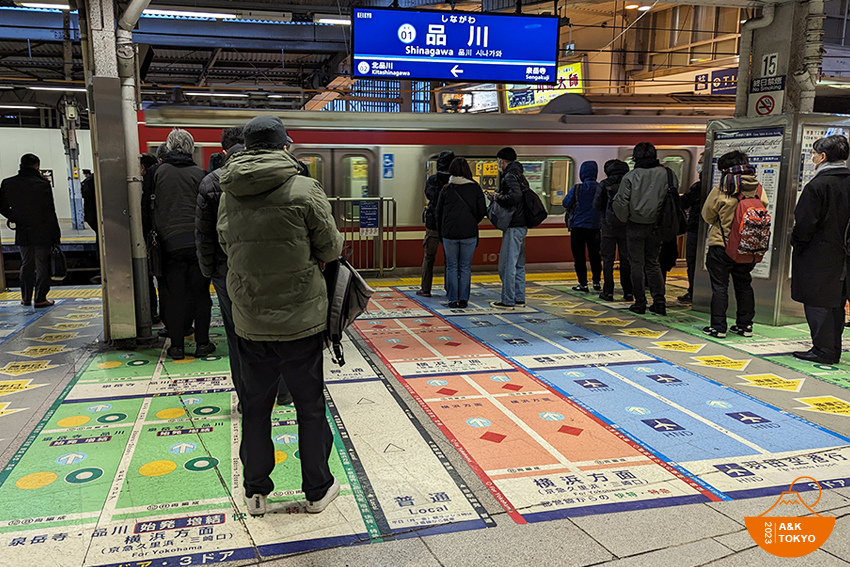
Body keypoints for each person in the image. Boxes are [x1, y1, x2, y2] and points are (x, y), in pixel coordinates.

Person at [218, 115, 343, 516]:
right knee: (308, 405)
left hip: (250, 320)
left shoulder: (227, 191)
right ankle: (317, 491)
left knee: (255, 408)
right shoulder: (305, 188)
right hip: (301, 319)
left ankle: (255, 492)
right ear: (285, 146)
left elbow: (226, 245)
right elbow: (330, 248)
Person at [196, 126, 293, 410]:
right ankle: (284, 391)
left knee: (238, 336)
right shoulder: (283, 177)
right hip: (276, 268)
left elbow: (204, 237)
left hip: (229, 273)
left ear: (225, 150)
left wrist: (210, 273)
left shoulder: (213, 182)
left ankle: (249, 398)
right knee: (279, 329)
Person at [152, 129, 214, 360]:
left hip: (169, 245)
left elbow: (146, 209)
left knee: (174, 296)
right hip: (197, 243)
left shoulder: (156, 173)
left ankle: (176, 346)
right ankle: (202, 344)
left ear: (168, 147)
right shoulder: (201, 174)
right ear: (191, 148)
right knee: (200, 295)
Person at [791, 135, 850, 364]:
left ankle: (823, 350)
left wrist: (797, 242)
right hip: (844, 256)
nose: (813, 157)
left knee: (818, 303)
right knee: (836, 302)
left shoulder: (818, 185)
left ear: (823, 157)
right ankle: (832, 348)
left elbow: (805, 223)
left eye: (815, 153)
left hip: (818, 255)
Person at [700, 151, 769, 339]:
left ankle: (719, 327)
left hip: (721, 246)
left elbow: (707, 216)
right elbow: (764, 208)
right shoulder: (758, 190)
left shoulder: (721, 190)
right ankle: (745, 325)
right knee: (744, 284)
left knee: (720, 287)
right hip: (747, 246)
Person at [613, 142, 677, 315]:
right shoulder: (668, 174)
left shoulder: (631, 177)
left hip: (635, 225)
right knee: (653, 263)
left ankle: (640, 302)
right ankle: (659, 302)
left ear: (635, 158)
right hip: (658, 226)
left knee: (636, 264)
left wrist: (625, 218)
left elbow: (621, 203)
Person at [0, 153, 61, 308]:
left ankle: (26, 298)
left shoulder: (8, 183)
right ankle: (40, 298)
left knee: (26, 263)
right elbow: (50, 211)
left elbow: (1, 205)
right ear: (37, 166)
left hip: (23, 229)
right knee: (42, 265)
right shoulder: (42, 184)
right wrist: (56, 234)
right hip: (42, 230)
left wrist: (13, 216)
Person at [435, 157, 487, 308]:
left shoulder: (446, 189)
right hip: (469, 233)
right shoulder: (475, 188)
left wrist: (441, 232)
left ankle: (452, 299)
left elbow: (439, 213)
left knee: (451, 266)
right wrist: (471, 222)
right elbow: (481, 211)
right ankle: (463, 299)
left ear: (451, 171)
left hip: (449, 234)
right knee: (465, 267)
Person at [489, 147, 528, 309]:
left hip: (513, 224)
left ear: (502, 160)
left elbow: (515, 196)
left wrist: (498, 197)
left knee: (507, 265)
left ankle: (507, 300)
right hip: (521, 224)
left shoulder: (510, 175)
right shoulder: (520, 174)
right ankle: (519, 298)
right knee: (518, 264)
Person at [593, 159, 633, 302]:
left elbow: (597, 205)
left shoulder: (604, 184)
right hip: (626, 226)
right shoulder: (630, 182)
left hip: (608, 227)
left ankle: (608, 292)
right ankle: (628, 291)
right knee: (626, 260)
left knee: (608, 260)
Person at [418, 150, 454, 297]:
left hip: (433, 223)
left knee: (429, 257)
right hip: (449, 223)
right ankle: (450, 289)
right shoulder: (455, 181)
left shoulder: (432, 180)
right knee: (450, 260)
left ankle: (426, 289)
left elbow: (429, 195)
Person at [564, 161, 602, 292]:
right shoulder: (600, 187)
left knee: (579, 257)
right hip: (595, 227)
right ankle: (596, 283)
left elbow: (565, 203)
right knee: (595, 256)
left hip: (578, 227)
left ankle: (583, 284)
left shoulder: (578, 188)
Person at [678, 153, 705, 303]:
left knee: (693, 261)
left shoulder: (699, 186)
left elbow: (683, 202)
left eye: (700, 162)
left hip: (695, 227)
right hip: (711, 229)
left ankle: (693, 291)